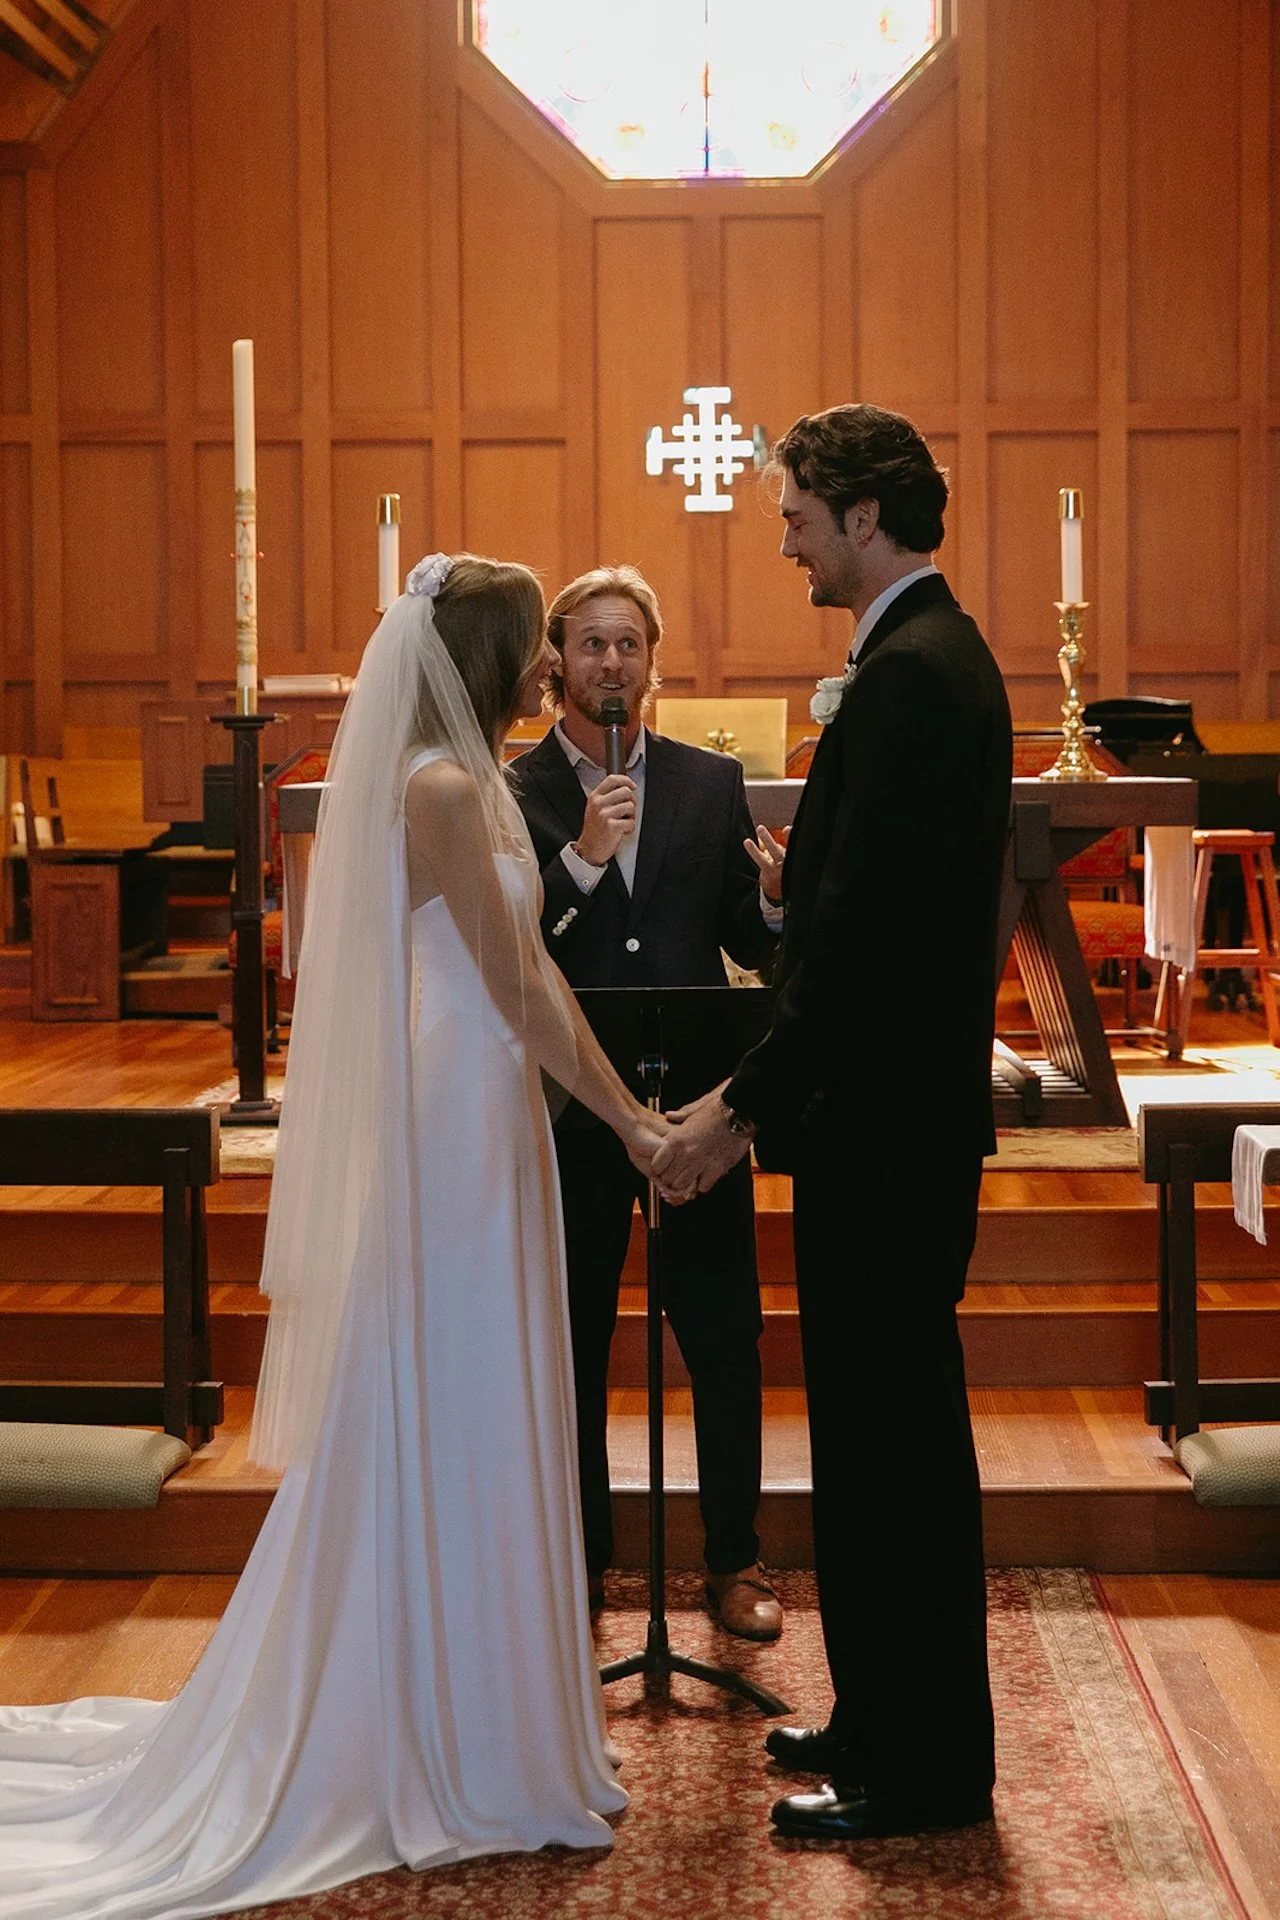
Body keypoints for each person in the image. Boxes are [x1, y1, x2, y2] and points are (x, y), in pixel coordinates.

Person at [0, 554, 668, 1918]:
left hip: (491, 1117)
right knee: (455, 1397)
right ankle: (433, 1729)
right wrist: (640, 1128)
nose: (555, 666)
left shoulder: (476, 779)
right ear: (485, 663)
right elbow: (522, 985)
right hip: (456, 1129)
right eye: (536, 648)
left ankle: (486, 1710)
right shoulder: (435, 790)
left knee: (487, 1403)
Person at [653, 405, 1013, 1840]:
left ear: (865, 517)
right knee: (870, 1443)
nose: (785, 534)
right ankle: (880, 1719)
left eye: (798, 510)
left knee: (896, 1450)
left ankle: (921, 1773)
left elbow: (869, 956)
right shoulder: (923, 659)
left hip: (884, 1128)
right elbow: (880, 913)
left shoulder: (918, 674)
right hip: (882, 1123)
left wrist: (739, 1107)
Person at [512, 566, 787, 1640]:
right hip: (571, 1106)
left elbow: (747, 946)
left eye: (628, 645)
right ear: (555, 663)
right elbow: (510, 955)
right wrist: (581, 862)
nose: (610, 664)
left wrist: (766, 901)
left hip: (695, 1118)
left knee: (723, 1336)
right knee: (571, 1339)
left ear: (653, 662)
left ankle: (734, 1562)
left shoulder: (706, 784)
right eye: (590, 645)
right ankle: (579, 1563)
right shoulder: (517, 789)